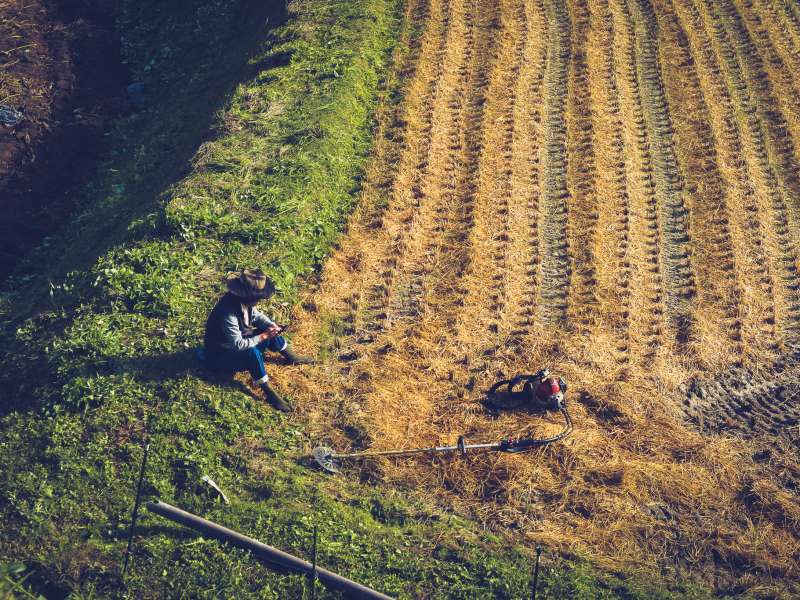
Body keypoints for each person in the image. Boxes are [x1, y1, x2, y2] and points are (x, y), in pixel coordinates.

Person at [203, 269, 312, 412]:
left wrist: (270, 326)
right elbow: (239, 345)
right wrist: (263, 336)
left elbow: (256, 316)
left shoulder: (243, 303)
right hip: (221, 355)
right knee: (252, 353)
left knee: (268, 331)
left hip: (236, 344)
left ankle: (291, 356)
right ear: (247, 296)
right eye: (257, 297)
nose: (259, 300)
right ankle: (270, 394)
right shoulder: (227, 313)